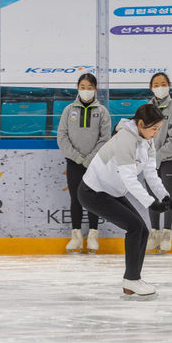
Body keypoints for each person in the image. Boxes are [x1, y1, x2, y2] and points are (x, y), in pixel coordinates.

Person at [78, 104, 172, 299]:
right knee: (135, 226)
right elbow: (129, 178)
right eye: (154, 128)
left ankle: (132, 281)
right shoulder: (125, 139)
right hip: (93, 192)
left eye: (159, 129)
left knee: (141, 229)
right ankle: (132, 280)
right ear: (141, 123)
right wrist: (151, 203)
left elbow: (151, 173)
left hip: (112, 191)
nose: (156, 133)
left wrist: (165, 197)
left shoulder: (146, 140)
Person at [57, 73, 111, 254]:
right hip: (74, 162)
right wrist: (77, 158)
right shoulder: (68, 110)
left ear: (95, 89)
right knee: (76, 199)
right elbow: (62, 136)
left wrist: (91, 159)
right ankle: (76, 236)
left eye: (89, 87)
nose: (85, 91)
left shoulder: (102, 111)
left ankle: (93, 236)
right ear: (77, 88)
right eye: (82, 87)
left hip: (95, 163)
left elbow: (105, 138)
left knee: (93, 199)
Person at [145, 72, 172, 253]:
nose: (160, 86)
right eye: (156, 84)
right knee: (151, 195)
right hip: (148, 160)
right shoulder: (146, 108)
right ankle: (154, 232)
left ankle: (167, 232)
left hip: (169, 159)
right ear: (151, 88)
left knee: (166, 194)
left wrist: (159, 157)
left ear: (169, 86)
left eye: (163, 83)